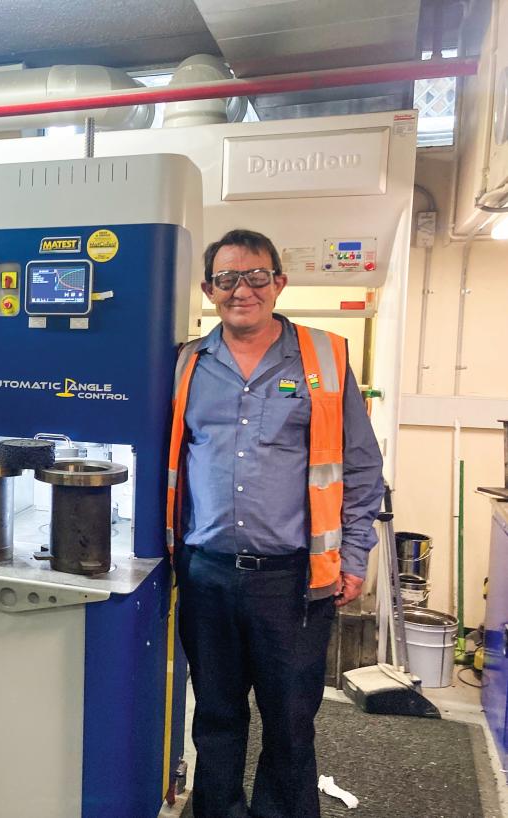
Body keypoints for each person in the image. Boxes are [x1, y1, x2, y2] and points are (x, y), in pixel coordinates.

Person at [165, 228, 384, 818]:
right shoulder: (189, 362)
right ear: (210, 289)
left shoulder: (325, 357)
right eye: (229, 279)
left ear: (279, 283)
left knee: (289, 721)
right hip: (207, 574)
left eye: (257, 276)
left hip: (292, 580)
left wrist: (354, 557)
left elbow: (363, 468)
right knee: (214, 716)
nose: (243, 290)